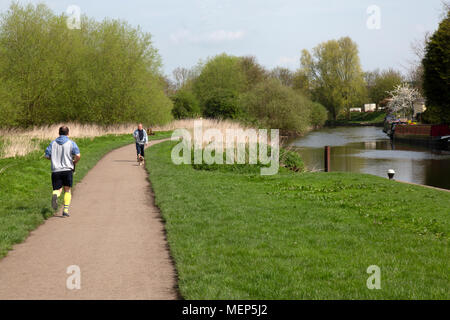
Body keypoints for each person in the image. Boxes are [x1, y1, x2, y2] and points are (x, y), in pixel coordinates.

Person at [45, 126, 81, 217]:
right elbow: (78, 155)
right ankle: (65, 210)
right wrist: (74, 162)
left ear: (59, 133)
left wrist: (53, 159)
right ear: (68, 133)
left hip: (56, 170)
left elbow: (46, 155)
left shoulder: (52, 143)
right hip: (67, 169)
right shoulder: (71, 143)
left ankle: (55, 195)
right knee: (67, 190)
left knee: (57, 189)